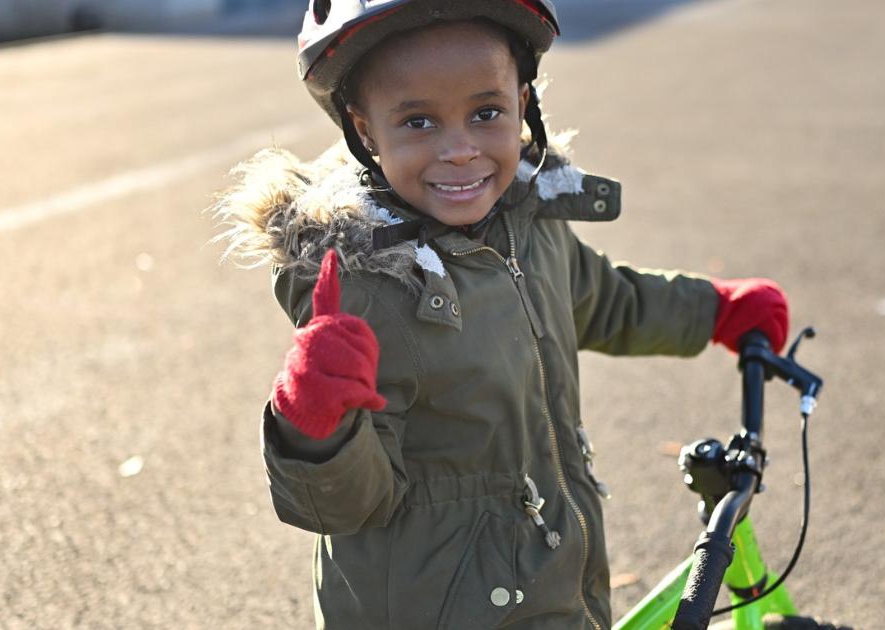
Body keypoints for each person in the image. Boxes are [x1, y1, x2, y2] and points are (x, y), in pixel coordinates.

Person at [212, 1, 789, 627]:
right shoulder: (368, 290)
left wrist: (715, 311)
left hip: (547, 586)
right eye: (419, 122)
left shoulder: (528, 225)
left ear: (524, 102)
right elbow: (348, 506)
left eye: (486, 113)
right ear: (365, 130)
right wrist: (316, 429)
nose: (460, 150)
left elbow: (607, 300)